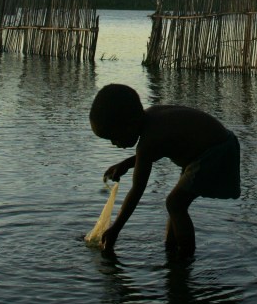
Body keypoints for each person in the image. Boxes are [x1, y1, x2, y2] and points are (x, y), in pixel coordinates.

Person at [89, 83, 241, 257]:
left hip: (215, 152)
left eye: (115, 138)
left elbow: (137, 189)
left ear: (130, 124)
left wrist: (115, 229)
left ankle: (185, 258)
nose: (114, 144)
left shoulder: (150, 139)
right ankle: (171, 250)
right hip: (213, 147)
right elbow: (153, 151)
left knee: (175, 203)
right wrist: (126, 164)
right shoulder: (151, 118)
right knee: (176, 206)